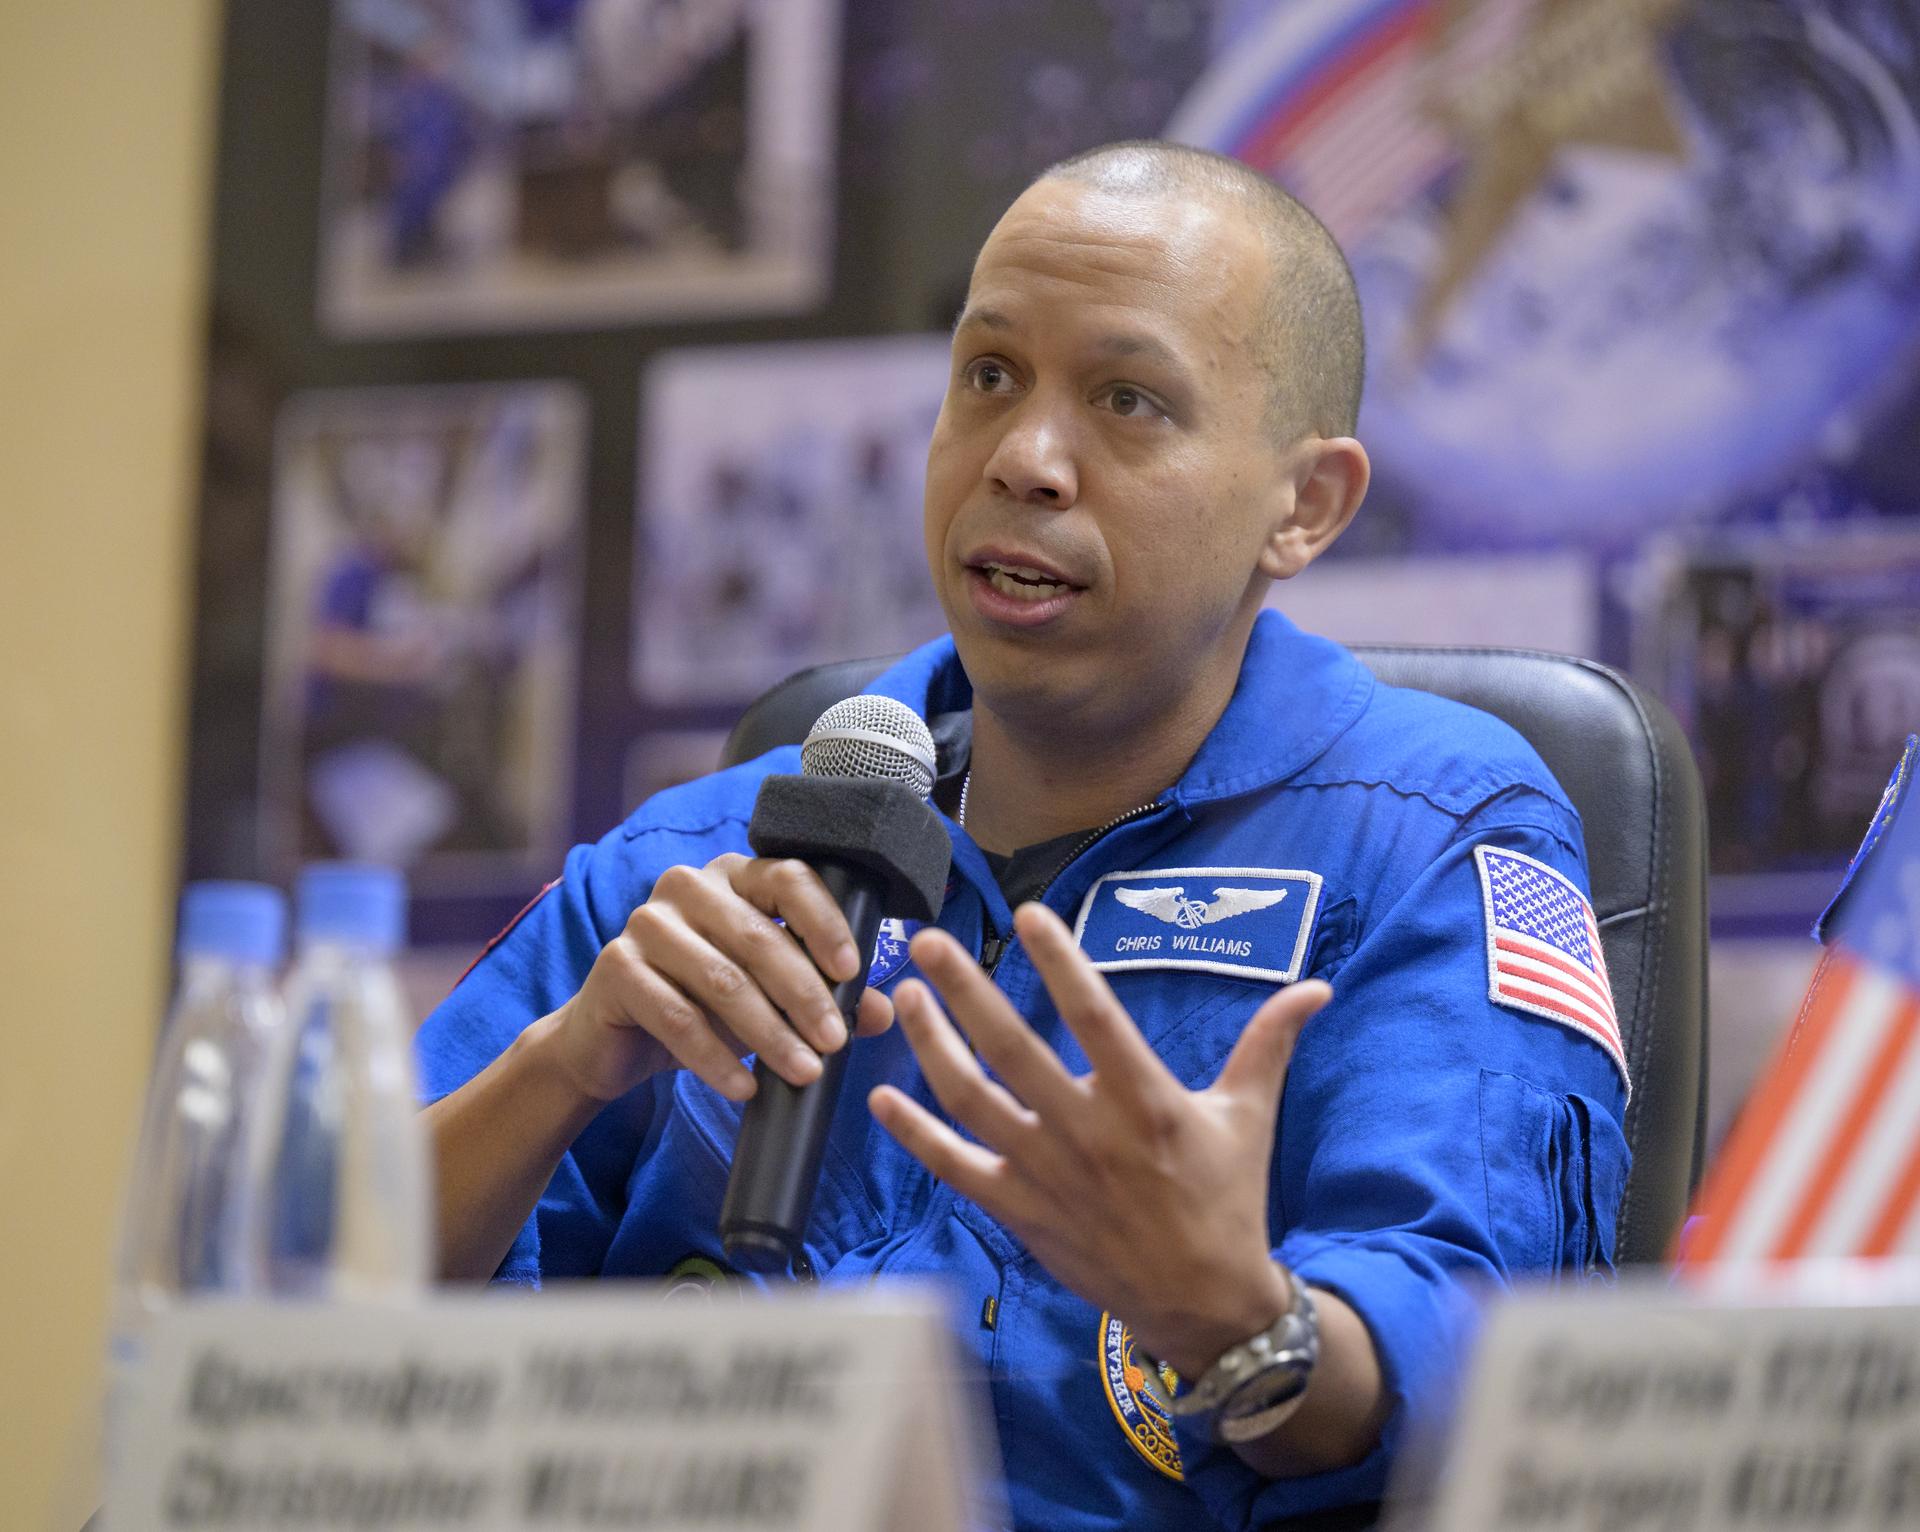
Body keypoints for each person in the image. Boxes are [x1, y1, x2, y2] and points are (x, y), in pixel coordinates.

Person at [417, 140, 1630, 1530]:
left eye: (1128, 402)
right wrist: (562, 1067)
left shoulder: (1435, 834)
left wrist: (1240, 1321)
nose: (1024, 459)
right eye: (988, 376)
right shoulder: (697, 854)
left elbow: (1478, 1359)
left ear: (1304, 506)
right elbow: (315, 1315)